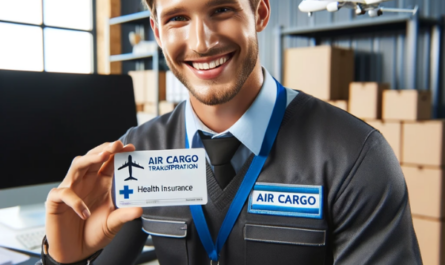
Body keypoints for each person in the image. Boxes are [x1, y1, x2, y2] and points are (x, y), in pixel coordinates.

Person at [39, 0, 422, 264]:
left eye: (221, 8)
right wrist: (65, 258)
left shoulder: (354, 157)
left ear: (259, 11)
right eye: (177, 18)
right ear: (156, 30)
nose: (202, 42)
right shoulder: (140, 153)